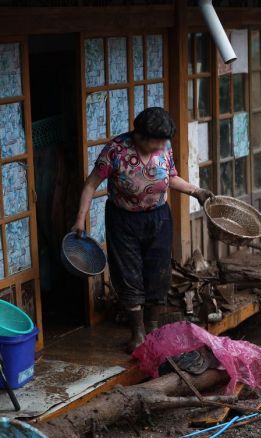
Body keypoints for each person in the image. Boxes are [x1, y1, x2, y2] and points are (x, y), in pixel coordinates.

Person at [72, 107, 213, 352]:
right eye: (157, 141)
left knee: (158, 272)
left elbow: (172, 178)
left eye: (164, 141)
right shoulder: (116, 150)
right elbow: (90, 185)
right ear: (140, 136)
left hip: (158, 218)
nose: (161, 146)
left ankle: (153, 328)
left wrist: (197, 192)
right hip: (123, 220)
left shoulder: (164, 149)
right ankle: (137, 333)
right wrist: (80, 220)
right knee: (128, 273)